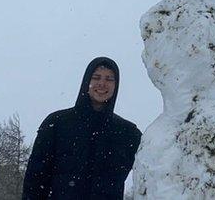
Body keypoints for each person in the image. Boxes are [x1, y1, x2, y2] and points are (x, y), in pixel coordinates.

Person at [22, 56, 142, 200]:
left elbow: (155, 171)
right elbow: (35, 179)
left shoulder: (128, 133)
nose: (102, 83)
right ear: (86, 81)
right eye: (96, 77)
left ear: (116, 85)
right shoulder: (57, 123)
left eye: (109, 79)